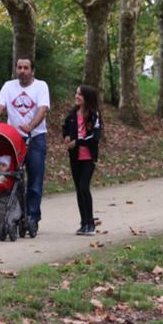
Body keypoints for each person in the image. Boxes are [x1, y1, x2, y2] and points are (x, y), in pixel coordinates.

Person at [0, 58, 50, 230]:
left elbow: (42, 110)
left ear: (32, 71)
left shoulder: (41, 86)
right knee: (12, 178)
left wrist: (30, 126)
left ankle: (32, 217)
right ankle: (16, 214)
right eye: (19, 67)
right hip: (13, 138)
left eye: (26, 68)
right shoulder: (8, 86)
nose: (22, 70)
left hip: (36, 138)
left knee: (35, 179)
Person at [62, 84, 102, 235]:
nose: (76, 96)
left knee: (84, 187)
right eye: (76, 93)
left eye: (80, 94)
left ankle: (90, 223)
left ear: (87, 98)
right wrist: (66, 136)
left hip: (88, 157)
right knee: (79, 189)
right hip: (75, 157)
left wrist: (78, 142)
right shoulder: (73, 114)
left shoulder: (94, 115)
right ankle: (83, 222)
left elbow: (95, 137)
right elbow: (65, 127)